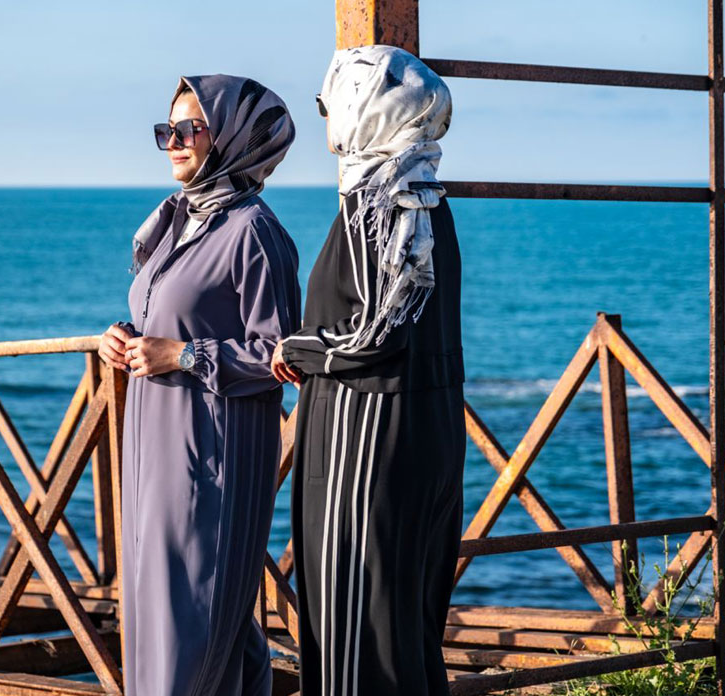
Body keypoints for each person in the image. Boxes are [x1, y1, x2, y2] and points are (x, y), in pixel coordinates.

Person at [270, 45, 466, 695]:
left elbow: (375, 332)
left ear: (364, 108)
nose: (328, 119)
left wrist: (296, 349)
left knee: (352, 619)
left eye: (329, 103)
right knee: (404, 617)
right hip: (427, 425)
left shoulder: (375, 201)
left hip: (365, 430)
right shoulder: (427, 197)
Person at [99, 74, 300, 696]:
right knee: (183, 616)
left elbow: (283, 355)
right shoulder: (176, 222)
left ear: (234, 136)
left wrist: (183, 355)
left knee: (193, 618)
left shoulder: (253, 232)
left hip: (210, 453)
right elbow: (167, 318)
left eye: (190, 129)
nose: (175, 143)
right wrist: (123, 338)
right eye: (168, 131)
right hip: (154, 445)